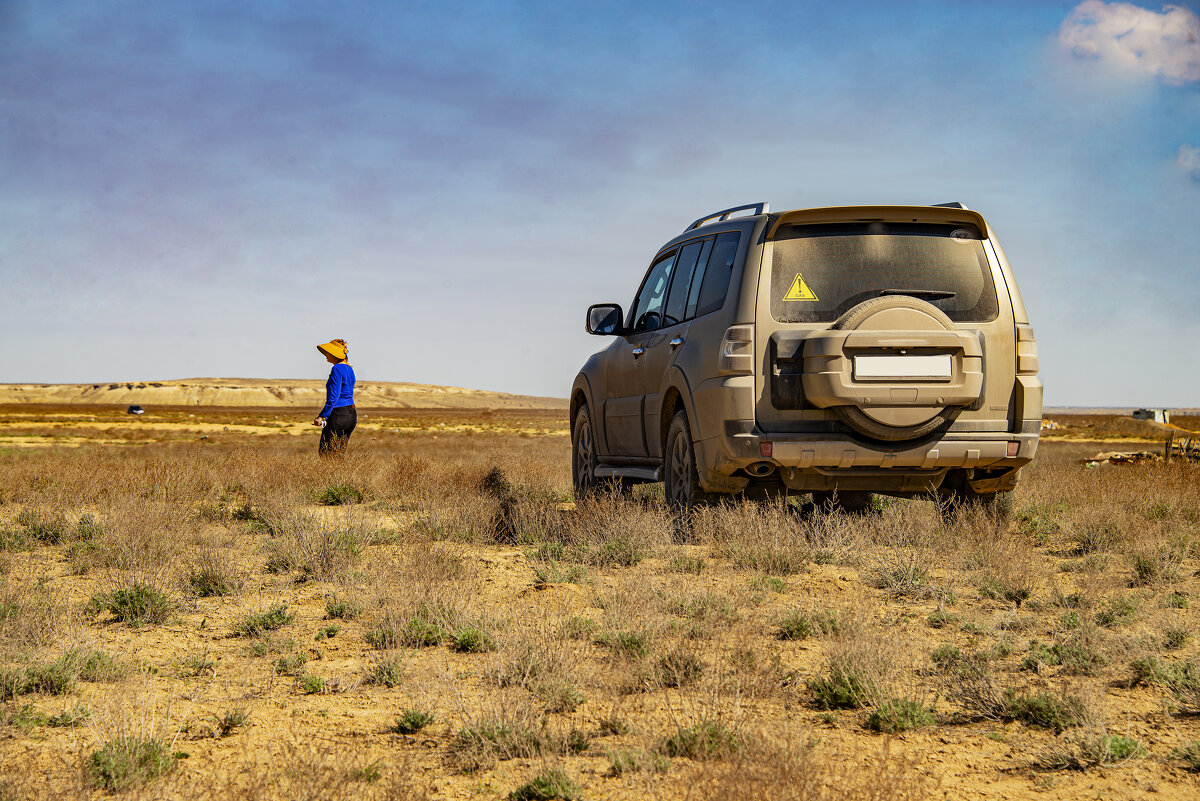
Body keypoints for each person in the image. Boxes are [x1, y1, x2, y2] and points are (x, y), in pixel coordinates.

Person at [314, 339, 356, 456]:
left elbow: (334, 396)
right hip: (351, 415)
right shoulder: (349, 369)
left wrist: (322, 416)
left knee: (326, 453)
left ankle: (331, 475)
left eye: (328, 353)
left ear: (334, 354)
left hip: (338, 415)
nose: (326, 355)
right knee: (338, 453)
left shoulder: (337, 369)